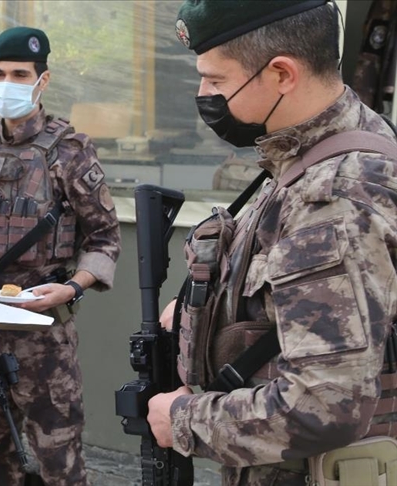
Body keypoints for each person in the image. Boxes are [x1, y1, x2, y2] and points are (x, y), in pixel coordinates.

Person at [146, 2, 397, 485]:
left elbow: (323, 404)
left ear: (282, 73)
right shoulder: (322, 146)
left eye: (216, 81)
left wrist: (182, 420)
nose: (204, 95)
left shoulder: (335, 193)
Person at [0, 26, 121, 486]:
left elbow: (104, 238)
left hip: (45, 338)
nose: (7, 83)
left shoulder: (69, 154)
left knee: (60, 461)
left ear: (43, 80)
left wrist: (73, 287)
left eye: (20, 74)